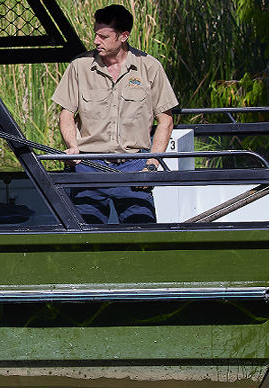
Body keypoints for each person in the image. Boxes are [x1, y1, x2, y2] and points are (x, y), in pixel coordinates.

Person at [51, 4, 178, 224]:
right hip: (88, 166)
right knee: (84, 236)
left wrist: (151, 165)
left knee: (142, 234)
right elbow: (66, 114)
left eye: (103, 36)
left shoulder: (150, 67)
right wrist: (72, 148)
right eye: (95, 34)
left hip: (134, 166)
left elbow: (165, 121)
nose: (96, 41)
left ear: (123, 36)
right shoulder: (79, 66)